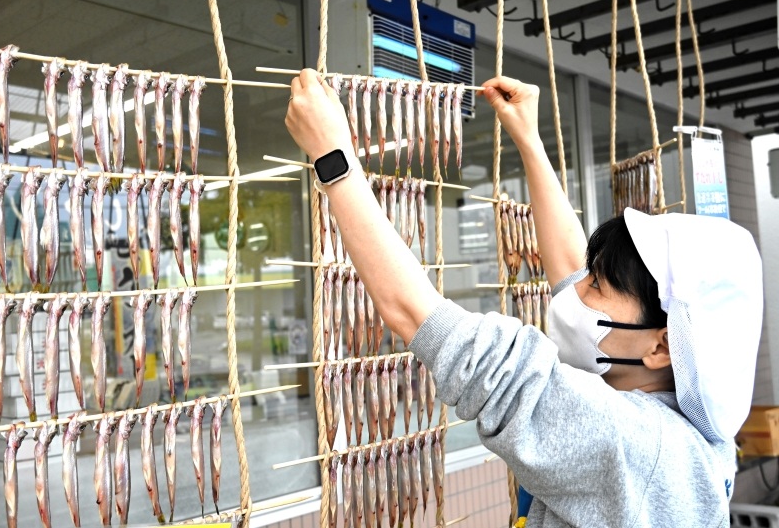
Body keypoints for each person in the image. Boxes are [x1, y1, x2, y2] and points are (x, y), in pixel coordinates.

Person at [285, 69, 763, 527]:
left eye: (595, 287)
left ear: (661, 346)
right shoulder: (699, 427)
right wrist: (529, 140)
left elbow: (415, 315)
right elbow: (573, 267)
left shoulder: (626, 441)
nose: (574, 293)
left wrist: (334, 159)